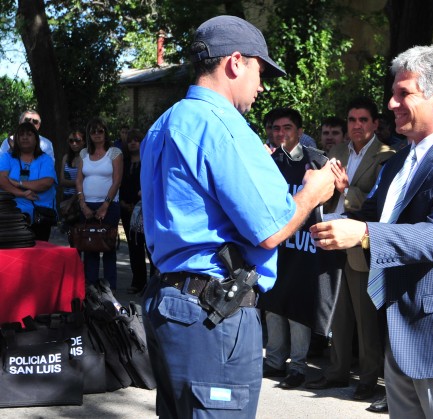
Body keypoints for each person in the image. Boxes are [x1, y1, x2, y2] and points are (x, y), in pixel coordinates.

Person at [139, 15, 334, 418]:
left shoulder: (164, 123)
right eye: (259, 71)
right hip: (212, 315)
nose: (261, 86)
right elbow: (270, 229)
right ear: (236, 63)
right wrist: (312, 192)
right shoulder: (224, 125)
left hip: (173, 303)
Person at [310, 44, 433, 418]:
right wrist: (318, 199)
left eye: (403, 93)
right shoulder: (399, 161)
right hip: (401, 325)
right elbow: (376, 214)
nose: (392, 104)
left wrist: (363, 234)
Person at [305, 96, 394, 402]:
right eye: (352, 120)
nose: (357, 126)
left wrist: (347, 191)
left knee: (365, 316)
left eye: (363, 120)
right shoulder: (337, 151)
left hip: (362, 242)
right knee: (338, 313)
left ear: (375, 124)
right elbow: (325, 192)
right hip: (332, 238)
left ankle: (369, 378)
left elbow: (380, 202)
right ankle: (337, 370)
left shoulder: (386, 156)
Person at [258, 107, 334, 390]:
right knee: (273, 303)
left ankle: (299, 367)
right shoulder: (266, 161)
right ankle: (275, 360)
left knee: (298, 308)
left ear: (300, 132)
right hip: (277, 245)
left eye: (287, 128)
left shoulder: (317, 162)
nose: (280, 133)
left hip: (304, 247)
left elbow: (333, 200)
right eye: (276, 128)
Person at [76, 117, 123, 290]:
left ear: (105, 132)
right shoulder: (83, 154)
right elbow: (79, 179)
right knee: (89, 247)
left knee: (108, 247)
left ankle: (109, 289)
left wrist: (105, 205)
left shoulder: (114, 153)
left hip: (109, 207)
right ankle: (91, 288)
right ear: (89, 134)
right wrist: (82, 204)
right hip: (87, 205)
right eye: (93, 131)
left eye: (100, 130)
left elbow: (117, 180)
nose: (97, 134)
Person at [0, 122, 57, 241]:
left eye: (29, 134)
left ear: (36, 139)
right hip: (12, 217)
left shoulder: (45, 159)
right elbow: (2, 180)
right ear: (16, 139)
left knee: (39, 255)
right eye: (21, 135)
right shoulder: (6, 157)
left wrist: (18, 183)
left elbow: (46, 182)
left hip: (41, 216)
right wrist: (22, 193)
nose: (25, 137)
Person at [119, 128, 152, 294]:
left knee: (150, 246)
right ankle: (138, 281)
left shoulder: (148, 161)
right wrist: (124, 203)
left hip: (146, 210)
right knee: (133, 246)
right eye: (130, 140)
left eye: (136, 140)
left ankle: (153, 283)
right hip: (127, 209)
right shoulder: (123, 162)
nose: (133, 143)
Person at [59, 130, 85, 200]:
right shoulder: (66, 157)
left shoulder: (86, 158)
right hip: (66, 195)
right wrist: (79, 182)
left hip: (81, 197)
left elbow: (85, 183)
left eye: (77, 141)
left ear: (84, 142)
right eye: (71, 141)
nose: (74, 143)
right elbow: (62, 181)